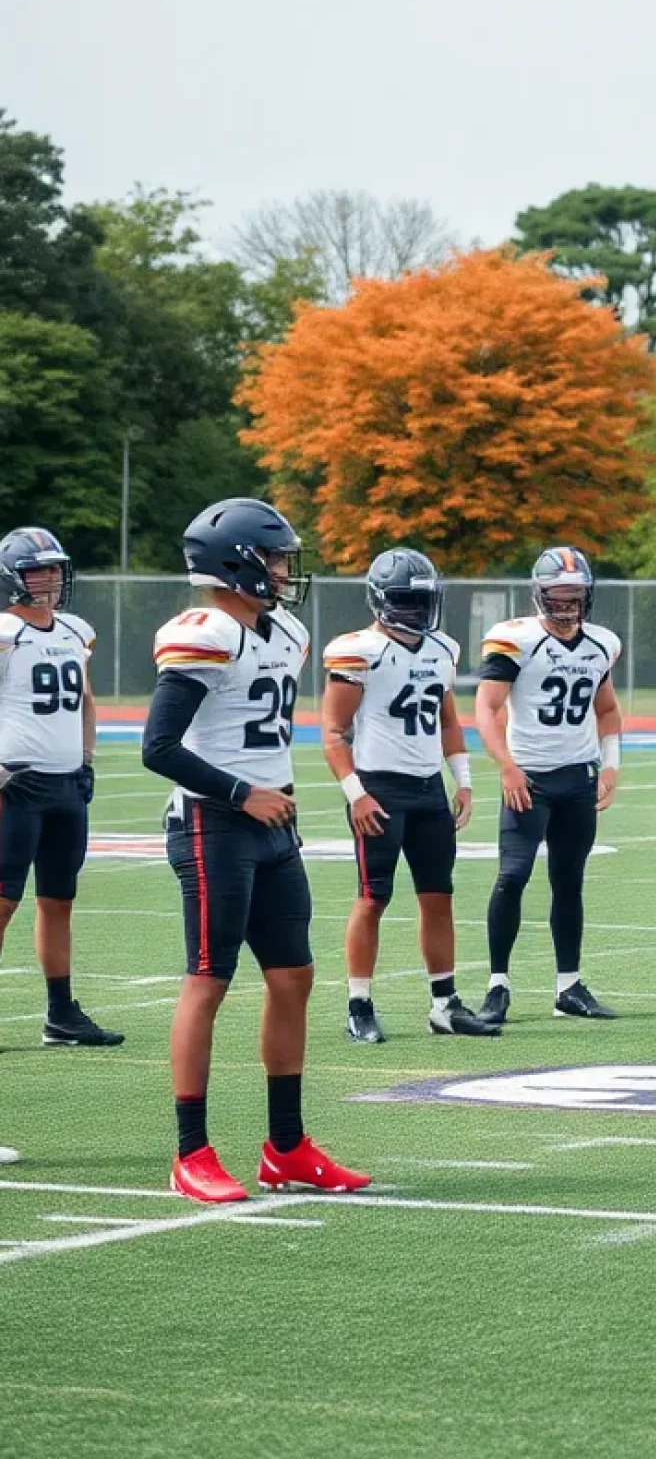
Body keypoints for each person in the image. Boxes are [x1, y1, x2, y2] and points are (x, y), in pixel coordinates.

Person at [143, 497, 370, 1204]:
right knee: (208, 980)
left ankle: (287, 1146)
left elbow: (261, 731)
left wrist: (270, 798)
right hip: (215, 824)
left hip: (273, 827)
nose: (283, 571)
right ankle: (190, 1152)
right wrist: (244, 794)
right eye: (274, 558)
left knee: (294, 977)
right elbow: (159, 746)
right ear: (236, 562)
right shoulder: (205, 632)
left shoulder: (284, 632)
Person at [321, 548, 493, 1043]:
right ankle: (359, 1004)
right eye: (404, 600)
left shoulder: (442, 649)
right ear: (380, 600)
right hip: (379, 787)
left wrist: (462, 780)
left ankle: (444, 1004)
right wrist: (356, 794)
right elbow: (333, 731)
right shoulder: (359, 650)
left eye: (422, 601)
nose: (415, 611)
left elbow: (447, 719)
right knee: (373, 897)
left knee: (438, 897)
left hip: (428, 789)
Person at [475, 548, 622, 1023]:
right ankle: (497, 985)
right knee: (513, 876)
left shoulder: (601, 644)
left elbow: (607, 710)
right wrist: (507, 766)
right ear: (539, 596)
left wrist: (611, 766)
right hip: (530, 778)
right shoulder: (516, 640)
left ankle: (569, 986)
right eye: (557, 597)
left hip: (578, 776)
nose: (565, 606)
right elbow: (487, 708)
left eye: (574, 597)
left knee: (569, 880)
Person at [0, 527, 122, 1047]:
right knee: (3, 901)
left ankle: (60, 1013)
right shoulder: (5, 630)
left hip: (66, 782)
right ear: (12, 578)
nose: (49, 579)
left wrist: (87, 757)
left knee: (58, 899)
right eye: (37, 570)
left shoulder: (75, 631)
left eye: (54, 569)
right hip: (16, 781)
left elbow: (86, 700)